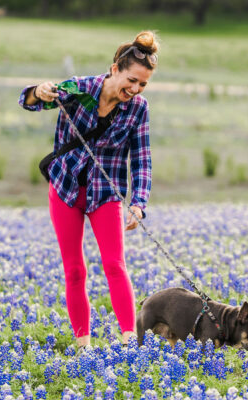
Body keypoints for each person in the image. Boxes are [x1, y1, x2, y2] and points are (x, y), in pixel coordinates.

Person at [19, 31, 158, 349]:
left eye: (142, 84)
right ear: (115, 69)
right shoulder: (79, 89)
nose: (135, 89)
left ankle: (128, 341)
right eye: (132, 80)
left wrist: (138, 202)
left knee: (114, 264)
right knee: (75, 269)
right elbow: (28, 102)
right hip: (66, 189)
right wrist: (38, 92)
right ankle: (83, 345)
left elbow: (142, 161)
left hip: (104, 194)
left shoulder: (138, 109)